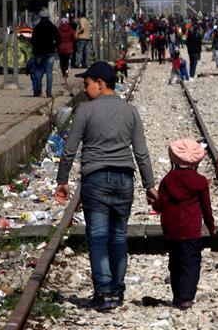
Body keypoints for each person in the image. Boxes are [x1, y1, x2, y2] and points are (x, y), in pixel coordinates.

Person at [55, 62, 157, 312]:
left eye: (87, 83)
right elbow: (141, 153)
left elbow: (69, 150)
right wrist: (149, 185)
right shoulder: (131, 111)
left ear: (100, 84)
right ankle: (118, 291)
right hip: (124, 179)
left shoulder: (85, 111)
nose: (85, 88)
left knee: (99, 237)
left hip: (96, 179)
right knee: (119, 236)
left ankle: (103, 294)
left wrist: (62, 181)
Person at [151, 139, 216, 310]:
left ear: (173, 159)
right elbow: (206, 206)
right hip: (191, 230)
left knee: (175, 262)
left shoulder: (168, 180)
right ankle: (186, 298)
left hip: (171, 230)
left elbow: (160, 205)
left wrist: (153, 203)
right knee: (191, 262)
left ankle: (177, 296)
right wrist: (210, 225)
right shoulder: (200, 181)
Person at [30, 8, 59, 98]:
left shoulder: (37, 28)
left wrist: (35, 49)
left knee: (38, 72)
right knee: (49, 72)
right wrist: (55, 47)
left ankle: (38, 91)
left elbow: (32, 40)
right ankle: (49, 92)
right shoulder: (53, 27)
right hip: (50, 52)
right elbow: (58, 39)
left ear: (40, 17)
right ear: (48, 17)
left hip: (39, 53)